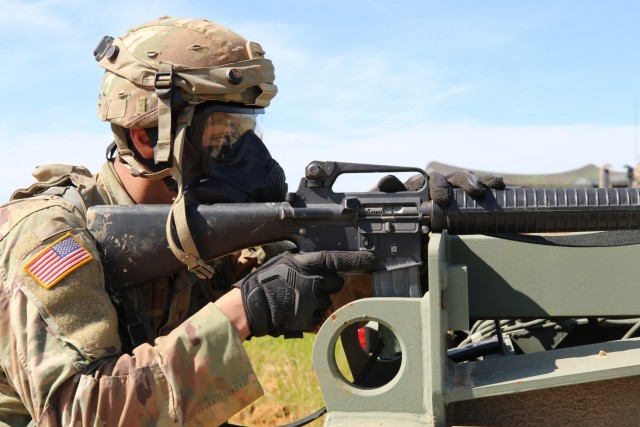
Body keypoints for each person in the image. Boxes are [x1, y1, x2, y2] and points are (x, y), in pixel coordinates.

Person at [0, 16, 503, 426]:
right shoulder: (50, 236)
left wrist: (391, 231)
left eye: (247, 131)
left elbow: (304, 275)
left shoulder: (192, 229)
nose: (250, 157)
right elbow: (76, 413)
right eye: (224, 132)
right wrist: (244, 311)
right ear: (150, 136)